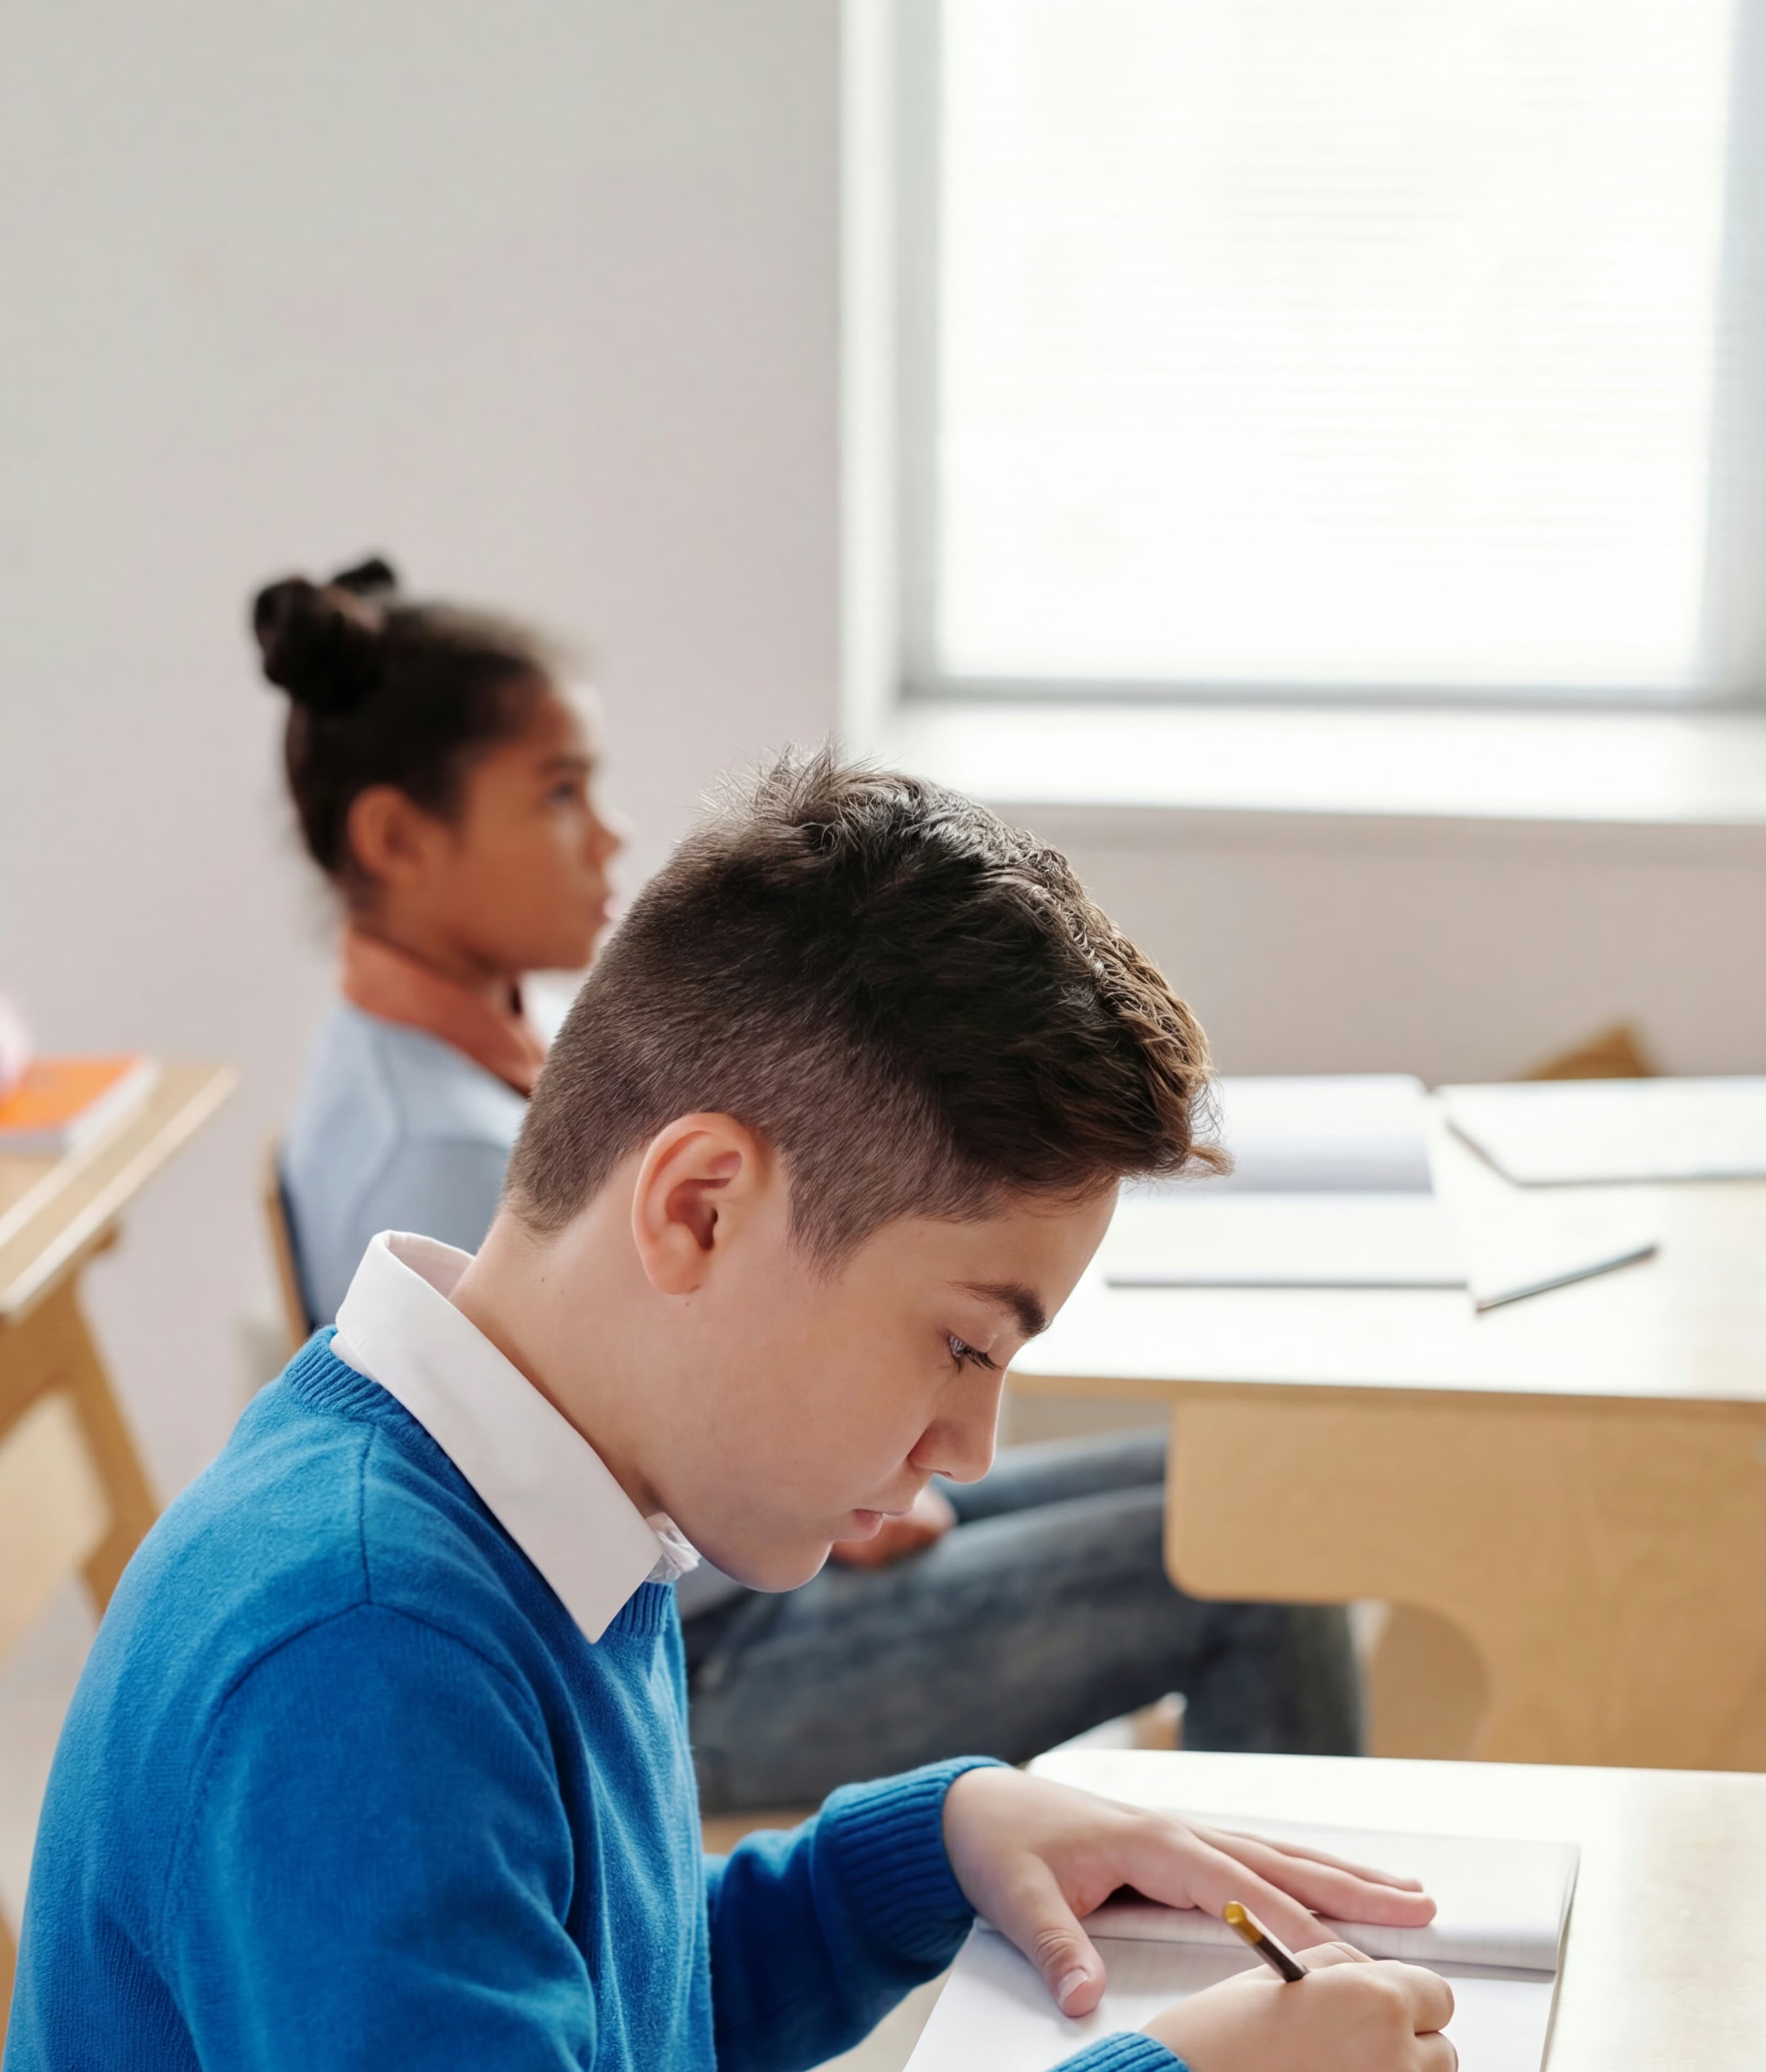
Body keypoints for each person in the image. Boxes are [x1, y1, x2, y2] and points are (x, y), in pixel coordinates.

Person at [0, 753, 1455, 2072]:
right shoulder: (354, 1646)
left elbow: (556, 2014)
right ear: (698, 1200)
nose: (974, 1443)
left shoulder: (527, 1497)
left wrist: (916, 1854)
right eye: (964, 1340)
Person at [263, 562, 1361, 1798]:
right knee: (1249, 1562)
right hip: (716, 1643)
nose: (609, 835)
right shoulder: (397, 1659)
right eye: (559, 794)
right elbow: (580, 1465)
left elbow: (649, 1988)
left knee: (1245, 1500)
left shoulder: (474, 1054)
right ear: (398, 838)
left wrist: (911, 1863)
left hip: (681, 1599)